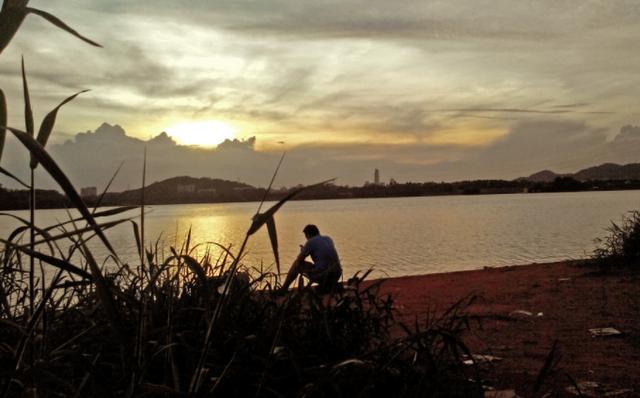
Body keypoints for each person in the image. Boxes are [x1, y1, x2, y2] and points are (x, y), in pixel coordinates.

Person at [280, 224, 342, 293]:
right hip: (337, 274)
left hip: (324, 276)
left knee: (297, 264)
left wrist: (303, 250)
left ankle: (283, 289)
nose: (306, 238)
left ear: (308, 235)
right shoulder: (328, 238)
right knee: (318, 265)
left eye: (306, 236)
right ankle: (327, 286)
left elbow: (299, 259)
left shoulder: (310, 242)